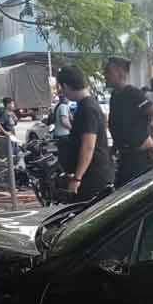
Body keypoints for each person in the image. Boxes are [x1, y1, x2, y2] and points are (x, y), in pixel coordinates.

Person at [105, 56, 153, 187]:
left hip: (141, 159)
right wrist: (114, 148)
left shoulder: (133, 93)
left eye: (108, 72)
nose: (105, 75)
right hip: (125, 159)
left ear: (120, 72)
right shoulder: (114, 96)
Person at [56, 65, 114, 202]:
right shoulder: (89, 104)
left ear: (66, 86)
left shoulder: (87, 109)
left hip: (92, 177)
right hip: (94, 173)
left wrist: (77, 178)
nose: (62, 92)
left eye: (61, 88)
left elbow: (88, 146)